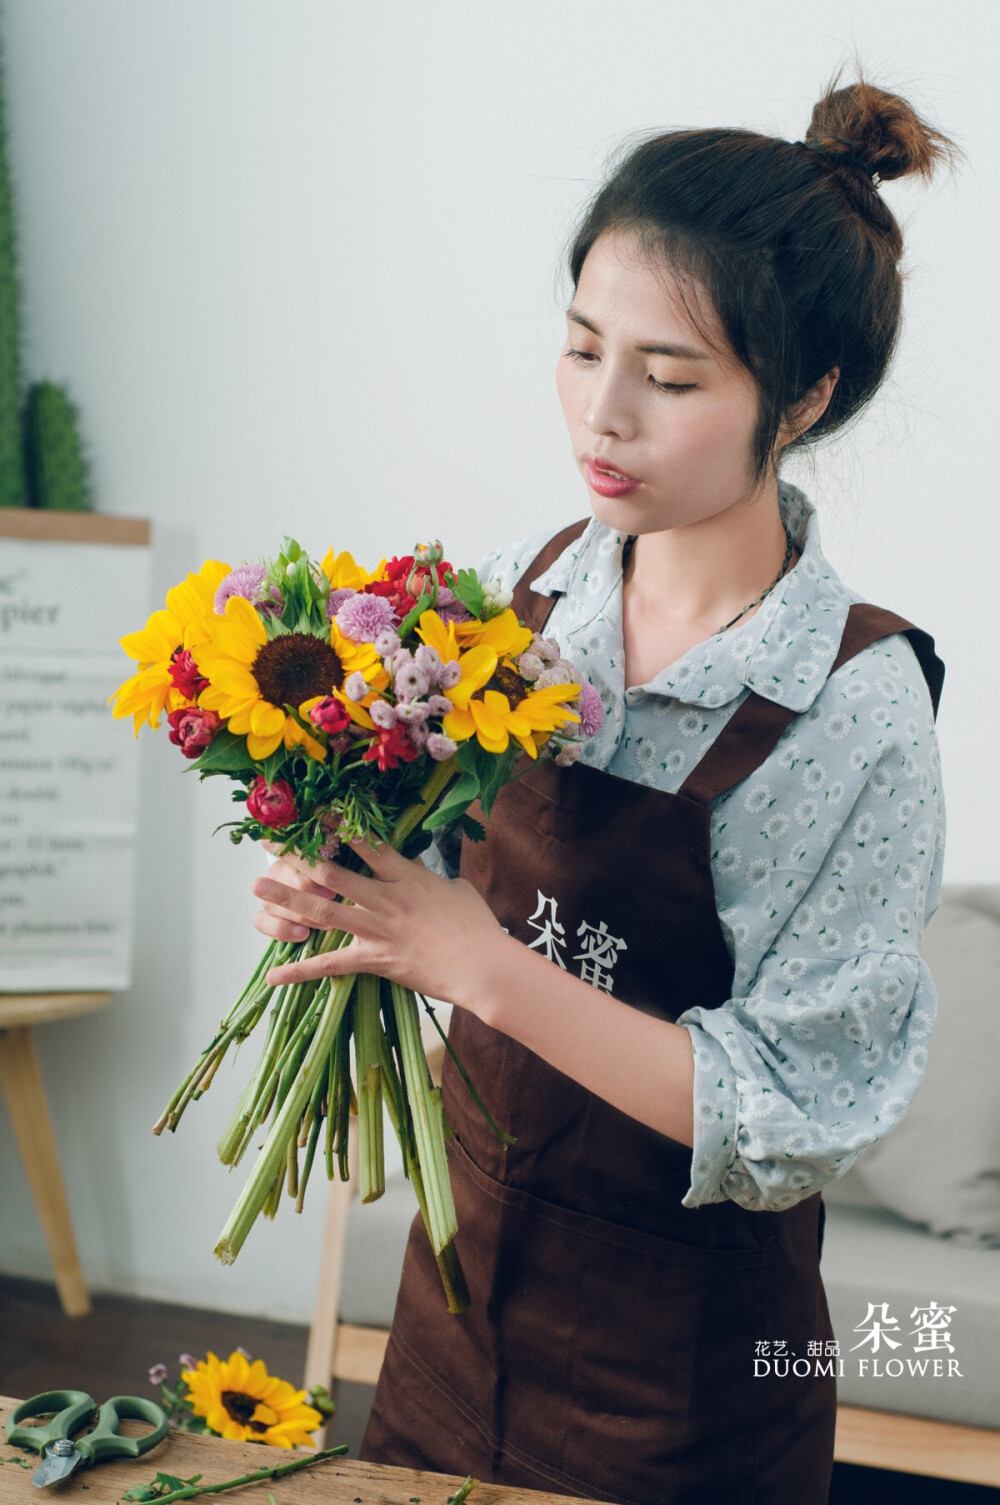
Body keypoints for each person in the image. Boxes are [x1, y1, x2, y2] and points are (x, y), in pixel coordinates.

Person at [253, 70, 957, 1505]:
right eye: (582, 349)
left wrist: (484, 967)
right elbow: (455, 872)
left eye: (674, 377)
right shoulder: (543, 588)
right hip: (458, 1306)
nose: (605, 414)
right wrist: (367, 898)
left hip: (687, 1382)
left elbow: (788, 1112)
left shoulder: (853, 703)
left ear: (805, 396)